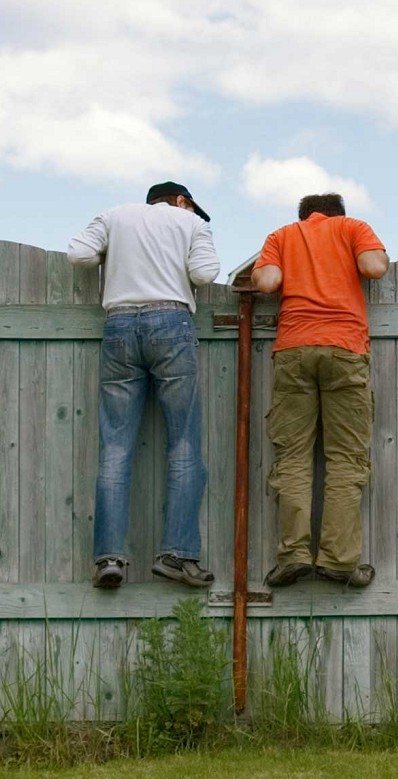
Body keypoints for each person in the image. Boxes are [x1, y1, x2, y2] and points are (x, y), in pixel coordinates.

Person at [68, 181, 219, 589]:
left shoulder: (114, 215)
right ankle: (177, 554)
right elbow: (205, 274)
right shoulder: (190, 223)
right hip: (171, 322)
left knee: (115, 448)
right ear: (183, 202)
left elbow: (79, 254)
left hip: (119, 324)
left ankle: (109, 559)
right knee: (184, 444)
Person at [250, 193, 389, 587]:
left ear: (304, 215)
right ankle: (339, 561)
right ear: (337, 214)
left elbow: (268, 282)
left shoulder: (282, 236)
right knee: (345, 457)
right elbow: (374, 267)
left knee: (292, 456)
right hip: (344, 349)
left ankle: (293, 554)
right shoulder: (353, 228)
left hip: (293, 349)